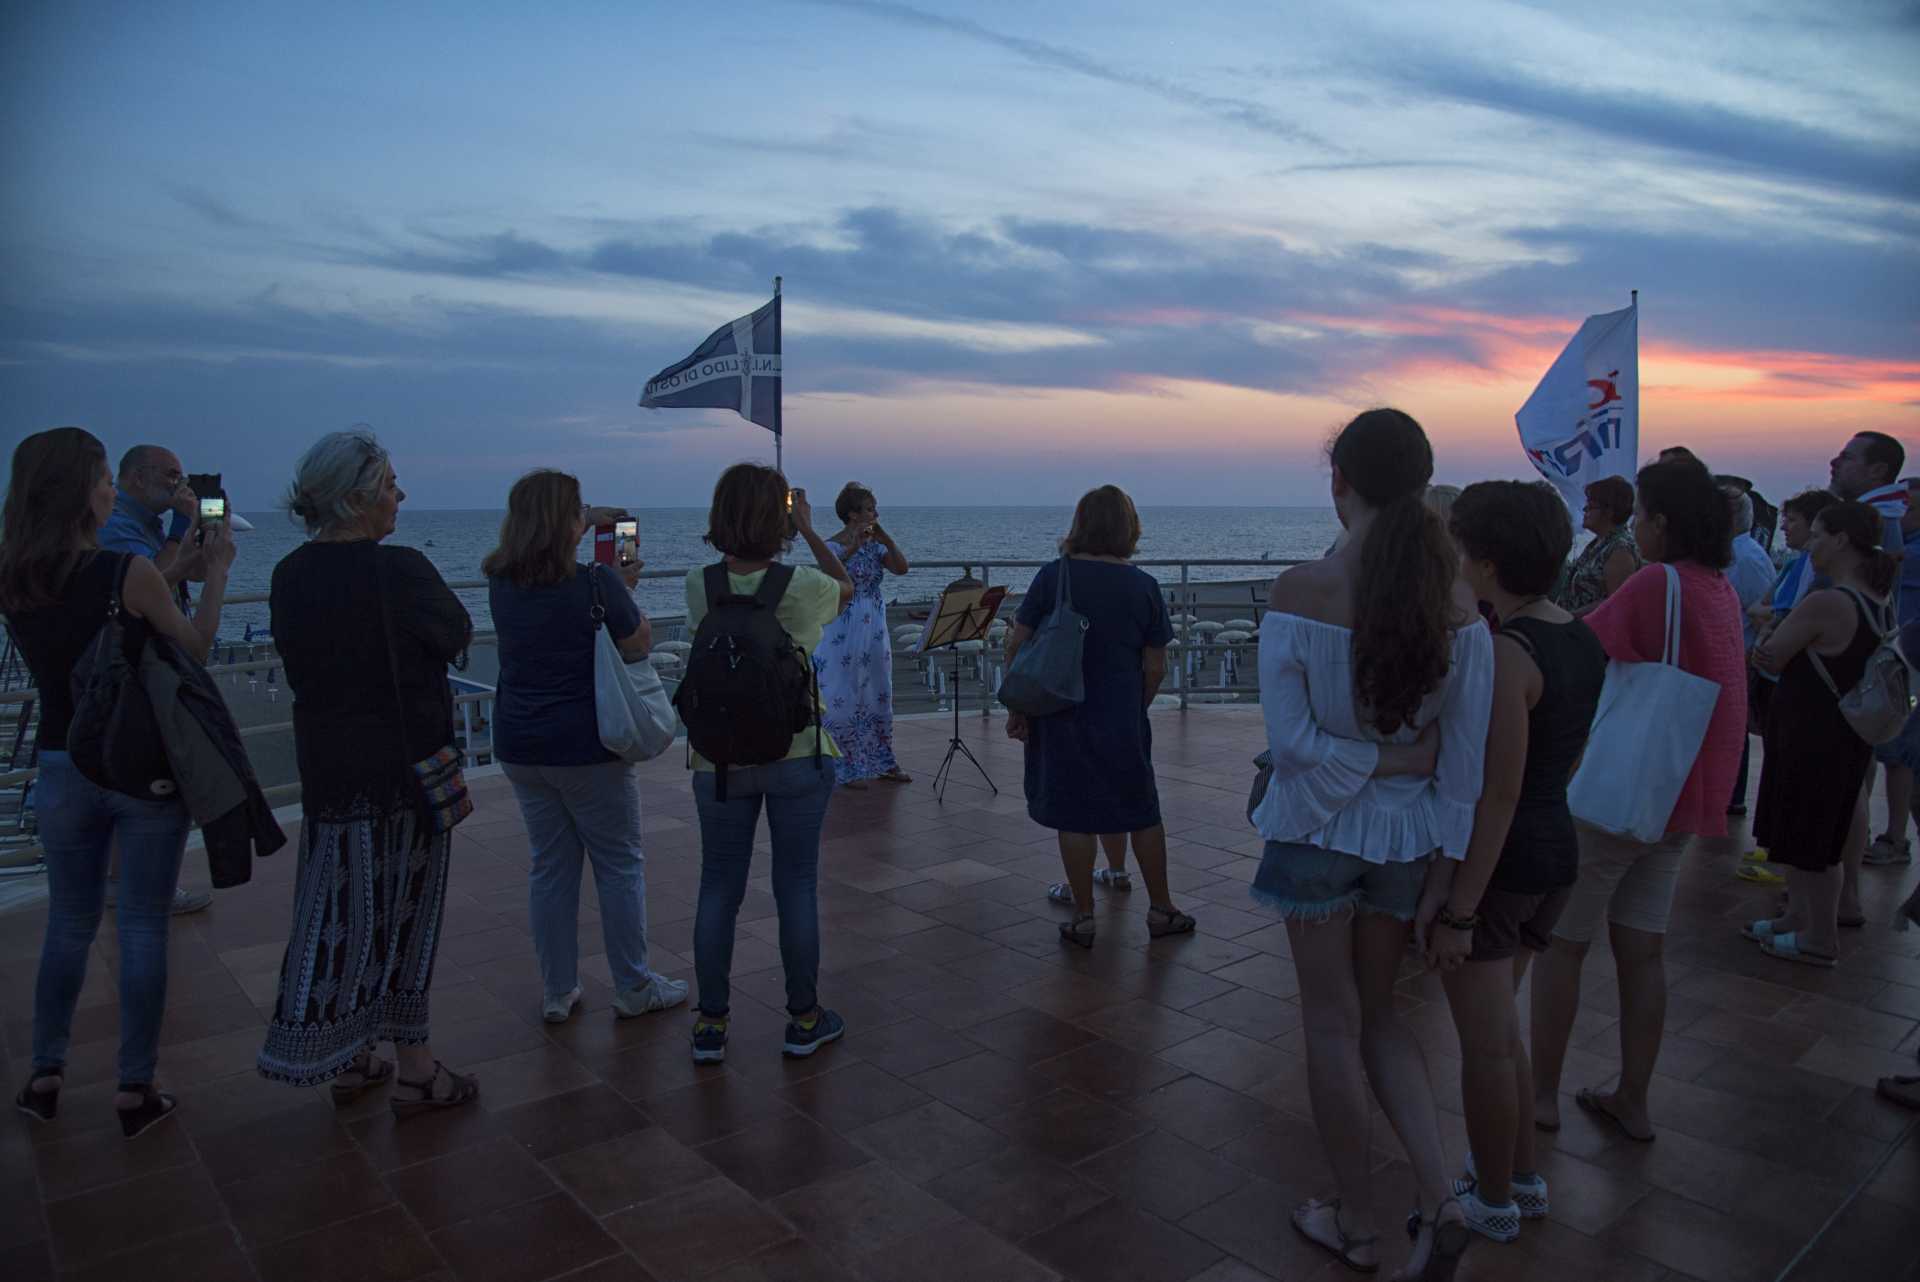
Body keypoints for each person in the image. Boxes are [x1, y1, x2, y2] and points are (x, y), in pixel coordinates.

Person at [1252, 410, 1493, 1279]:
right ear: (1425, 486)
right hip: (1406, 842)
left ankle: (1356, 1219)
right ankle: (1443, 1199)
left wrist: (1366, 761)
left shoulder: (1301, 592)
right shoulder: (1459, 606)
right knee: (1384, 1016)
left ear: (1338, 484)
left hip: (1316, 830)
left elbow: (1291, 748)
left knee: (1331, 1020)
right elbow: (1459, 766)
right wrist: (1447, 869)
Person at [3, 427, 234, 1138]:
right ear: (81, 492)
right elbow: (192, 644)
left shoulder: (14, 573)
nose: (110, 490)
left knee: (69, 925)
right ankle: (136, 1087)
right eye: (104, 478)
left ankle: (45, 1073)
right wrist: (215, 566)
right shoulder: (121, 573)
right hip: (138, 766)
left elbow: (94, 619)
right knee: (139, 925)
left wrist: (171, 560)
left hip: (60, 763)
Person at [257, 429, 479, 1117]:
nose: (400, 497)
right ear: (355, 498)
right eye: (388, 486)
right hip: (403, 772)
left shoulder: (289, 574)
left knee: (341, 912)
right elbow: (456, 632)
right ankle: (416, 1069)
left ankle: (351, 1056)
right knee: (404, 918)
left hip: (330, 771)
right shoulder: (401, 569)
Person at [1530, 457, 1746, 1144]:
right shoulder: (1720, 588)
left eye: (1645, 516)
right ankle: (1633, 1098)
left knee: (1563, 944)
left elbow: (1578, 642)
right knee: (1642, 949)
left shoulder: (1660, 583)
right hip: (1679, 797)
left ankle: (1538, 1095)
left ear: (1660, 521)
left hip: (1622, 795)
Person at [1429, 482, 1607, 1244]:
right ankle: (1524, 1178)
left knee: (1485, 1049)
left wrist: (1460, 908)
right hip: (1555, 854)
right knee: (1506, 1035)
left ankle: (1492, 1200)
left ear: (1487, 562)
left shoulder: (1509, 654)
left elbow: (1497, 793)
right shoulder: (1579, 636)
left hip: (1503, 867)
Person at [484, 470, 689, 1024]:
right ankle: (632, 985)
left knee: (550, 868)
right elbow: (638, 641)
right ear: (565, 523)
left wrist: (589, 514)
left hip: (522, 746)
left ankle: (558, 990)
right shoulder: (596, 583)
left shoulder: (500, 581)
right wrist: (625, 588)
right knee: (619, 864)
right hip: (587, 744)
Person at [684, 466, 852, 1066]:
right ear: (778, 518)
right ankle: (804, 1019)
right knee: (796, 885)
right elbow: (847, 586)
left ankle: (710, 1025)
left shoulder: (697, 583)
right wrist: (808, 530)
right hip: (796, 754)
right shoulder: (802, 585)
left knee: (718, 887)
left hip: (718, 760)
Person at [1005, 485, 1196, 949]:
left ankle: (1085, 917)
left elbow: (1017, 643)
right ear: (1129, 529)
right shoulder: (1144, 586)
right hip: (1120, 717)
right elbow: (1156, 666)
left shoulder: (1054, 577)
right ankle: (1161, 909)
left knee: (1074, 813)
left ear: (1080, 525)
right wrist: (1136, 706)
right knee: (1141, 809)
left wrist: (1018, 706)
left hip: (1059, 713)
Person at [1745, 502, 1899, 966]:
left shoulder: (1829, 601)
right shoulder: (1879, 601)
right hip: (1840, 732)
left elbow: (1770, 655)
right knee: (1810, 828)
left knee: (1810, 837)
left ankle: (1819, 938)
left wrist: (1767, 623)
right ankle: (1798, 920)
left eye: (1817, 536)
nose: (1810, 544)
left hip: (1812, 731)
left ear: (1840, 540)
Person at [97, 445, 213, 915]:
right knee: (150, 779)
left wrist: (202, 532)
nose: (177, 483)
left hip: (149, 664)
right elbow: (151, 586)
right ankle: (145, 891)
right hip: (136, 669)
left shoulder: (145, 526)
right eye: (169, 475)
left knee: (140, 780)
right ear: (136, 478)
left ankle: (127, 883)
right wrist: (184, 527)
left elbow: (197, 572)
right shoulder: (119, 528)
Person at [1825, 430, 1907, 926]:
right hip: (1856, 678)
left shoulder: (1878, 527)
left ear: (1878, 471)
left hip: (1849, 681)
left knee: (1847, 785)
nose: (1835, 463)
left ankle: (1840, 897)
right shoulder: (1885, 521)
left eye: (1847, 457)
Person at [1737, 488, 1836, 883]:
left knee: (1791, 769)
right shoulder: (1797, 565)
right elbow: (1763, 608)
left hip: (1793, 678)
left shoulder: (1819, 575)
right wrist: (1773, 618)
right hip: (1776, 674)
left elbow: (1781, 616)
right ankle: (1773, 844)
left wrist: (1774, 620)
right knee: (1777, 764)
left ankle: (1785, 861)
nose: (1784, 528)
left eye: (1791, 521)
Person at [813, 481, 912, 789]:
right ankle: (843, 764)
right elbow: (827, 576)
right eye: (870, 508)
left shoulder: (876, 545)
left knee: (878, 689)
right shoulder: (831, 546)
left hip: (873, 622)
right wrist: (852, 547)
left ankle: (882, 759)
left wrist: (885, 538)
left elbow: (901, 568)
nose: (875, 513)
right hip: (843, 622)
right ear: (853, 514)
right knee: (841, 693)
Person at [1864, 477, 1920, 867]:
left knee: (1898, 754)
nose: (1901, 516)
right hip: (1891, 659)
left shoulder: (1908, 553)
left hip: (1907, 664)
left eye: (1909, 509)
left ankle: (1895, 837)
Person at [1723, 488, 1779, 816]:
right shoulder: (1733, 554)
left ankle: (1732, 797)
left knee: (1735, 729)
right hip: (1732, 656)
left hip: (1741, 658)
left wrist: (1750, 660)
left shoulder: (1748, 559)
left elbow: (1764, 613)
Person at [1553, 475, 1640, 616]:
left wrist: (1572, 617)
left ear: (1609, 512)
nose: (1585, 509)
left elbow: (1615, 602)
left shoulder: (1620, 550)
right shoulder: (1599, 542)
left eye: (1591, 506)